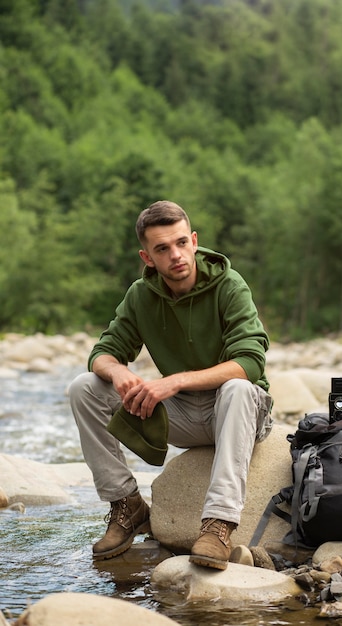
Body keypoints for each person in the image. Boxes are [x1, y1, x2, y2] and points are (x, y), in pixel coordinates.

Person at [69, 200, 273, 571]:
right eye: (162, 249)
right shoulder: (141, 295)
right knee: (85, 387)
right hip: (180, 417)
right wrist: (118, 373)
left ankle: (219, 524)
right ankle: (127, 505)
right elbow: (103, 353)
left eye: (181, 243)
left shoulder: (229, 284)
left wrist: (174, 381)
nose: (175, 255)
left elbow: (250, 363)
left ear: (194, 241)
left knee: (238, 388)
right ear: (147, 257)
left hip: (237, 413)